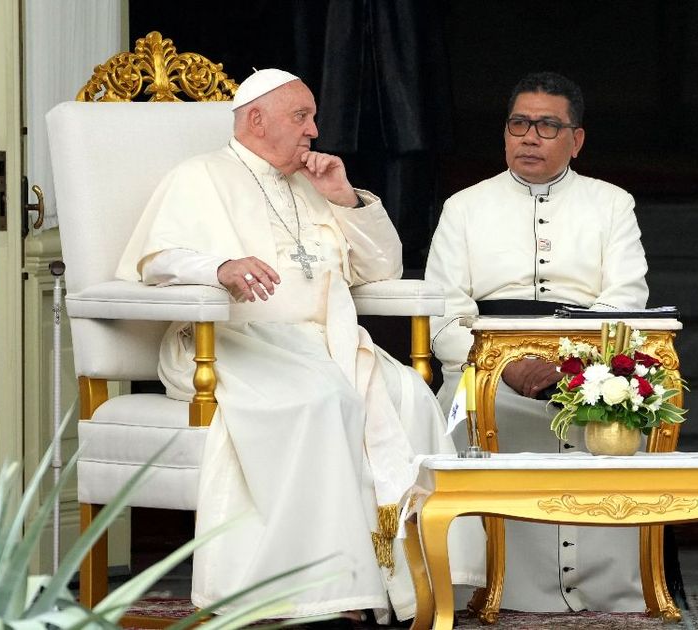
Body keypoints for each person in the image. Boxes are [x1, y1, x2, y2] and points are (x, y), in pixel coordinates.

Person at [115, 69, 484, 624]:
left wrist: (343, 196)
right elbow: (158, 259)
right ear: (255, 119)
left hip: (325, 343)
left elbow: (380, 268)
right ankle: (317, 596)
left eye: (312, 118)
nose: (314, 130)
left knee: (409, 395)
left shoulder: (313, 185)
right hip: (229, 344)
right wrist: (220, 266)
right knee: (319, 401)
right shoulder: (200, 177)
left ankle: (408, 583)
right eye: (301, 117)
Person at [424, 72, 649, 612]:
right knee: (455, 418)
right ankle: (485, 587)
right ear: (504, 134)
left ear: (576, 140)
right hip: (483, 367)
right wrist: (505, 366)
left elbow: (626, 298)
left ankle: (604, 591)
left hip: (588, 363)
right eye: (519, 123)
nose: (530, 136)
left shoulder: (612, 203)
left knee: (616, 415)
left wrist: (573, 365)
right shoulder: (464, 206)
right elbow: (443, 315)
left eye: (548, 126)